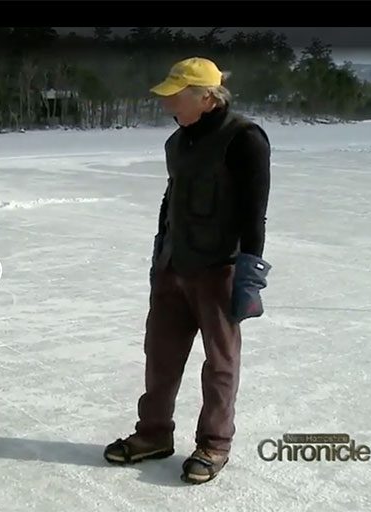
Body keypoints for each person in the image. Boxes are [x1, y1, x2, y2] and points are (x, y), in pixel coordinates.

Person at [103, 57, 272, 484]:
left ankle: (215, 443)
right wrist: (161, 254)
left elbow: (255, 212)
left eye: (176, 93)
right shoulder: (177, 142)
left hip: (219, 270)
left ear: (207, 97)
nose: (167, 100)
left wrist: (249, 273)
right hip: (173, 266)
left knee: (220, 363)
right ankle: (154, 434)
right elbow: (171, 200)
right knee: (160, 357)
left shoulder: (244, 138)